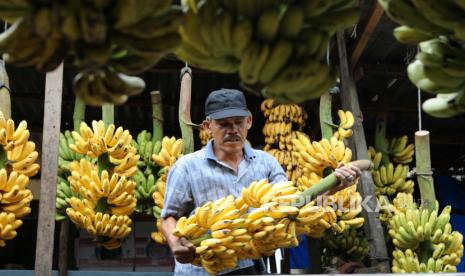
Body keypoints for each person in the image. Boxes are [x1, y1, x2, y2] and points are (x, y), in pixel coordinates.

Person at [160, 88, 361, 275]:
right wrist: (176, 243)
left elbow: (291, 207)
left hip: (249, 265)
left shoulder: (266, 162)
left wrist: (331, 190)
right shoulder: (186, 166)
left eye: (238, 122)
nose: (233, 130)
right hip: (201, 267)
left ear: (249, 121)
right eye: (223, 124)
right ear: (207, 126)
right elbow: (169, 215)